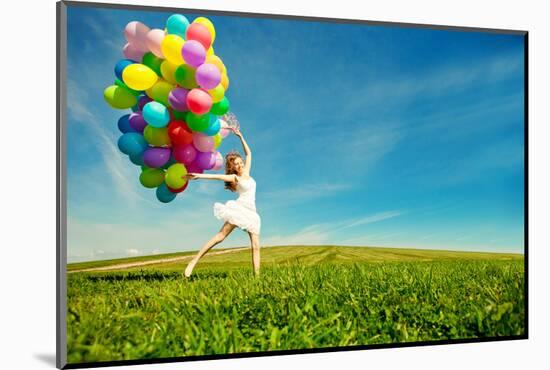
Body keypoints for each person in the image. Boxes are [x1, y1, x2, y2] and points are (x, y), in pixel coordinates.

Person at [183, 128, 261, 277]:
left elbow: (249, 153)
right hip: (239, 209)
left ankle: (257, 278)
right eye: (236, 164)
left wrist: (240, 136)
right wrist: (198, 176)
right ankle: (193, 261)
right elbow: (217, 177)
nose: (240, 165)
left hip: (252, 212)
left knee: (256, 246)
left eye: (240, 162)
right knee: (220, 236)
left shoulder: (247, 173)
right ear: (233, 168)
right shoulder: (235, 178)